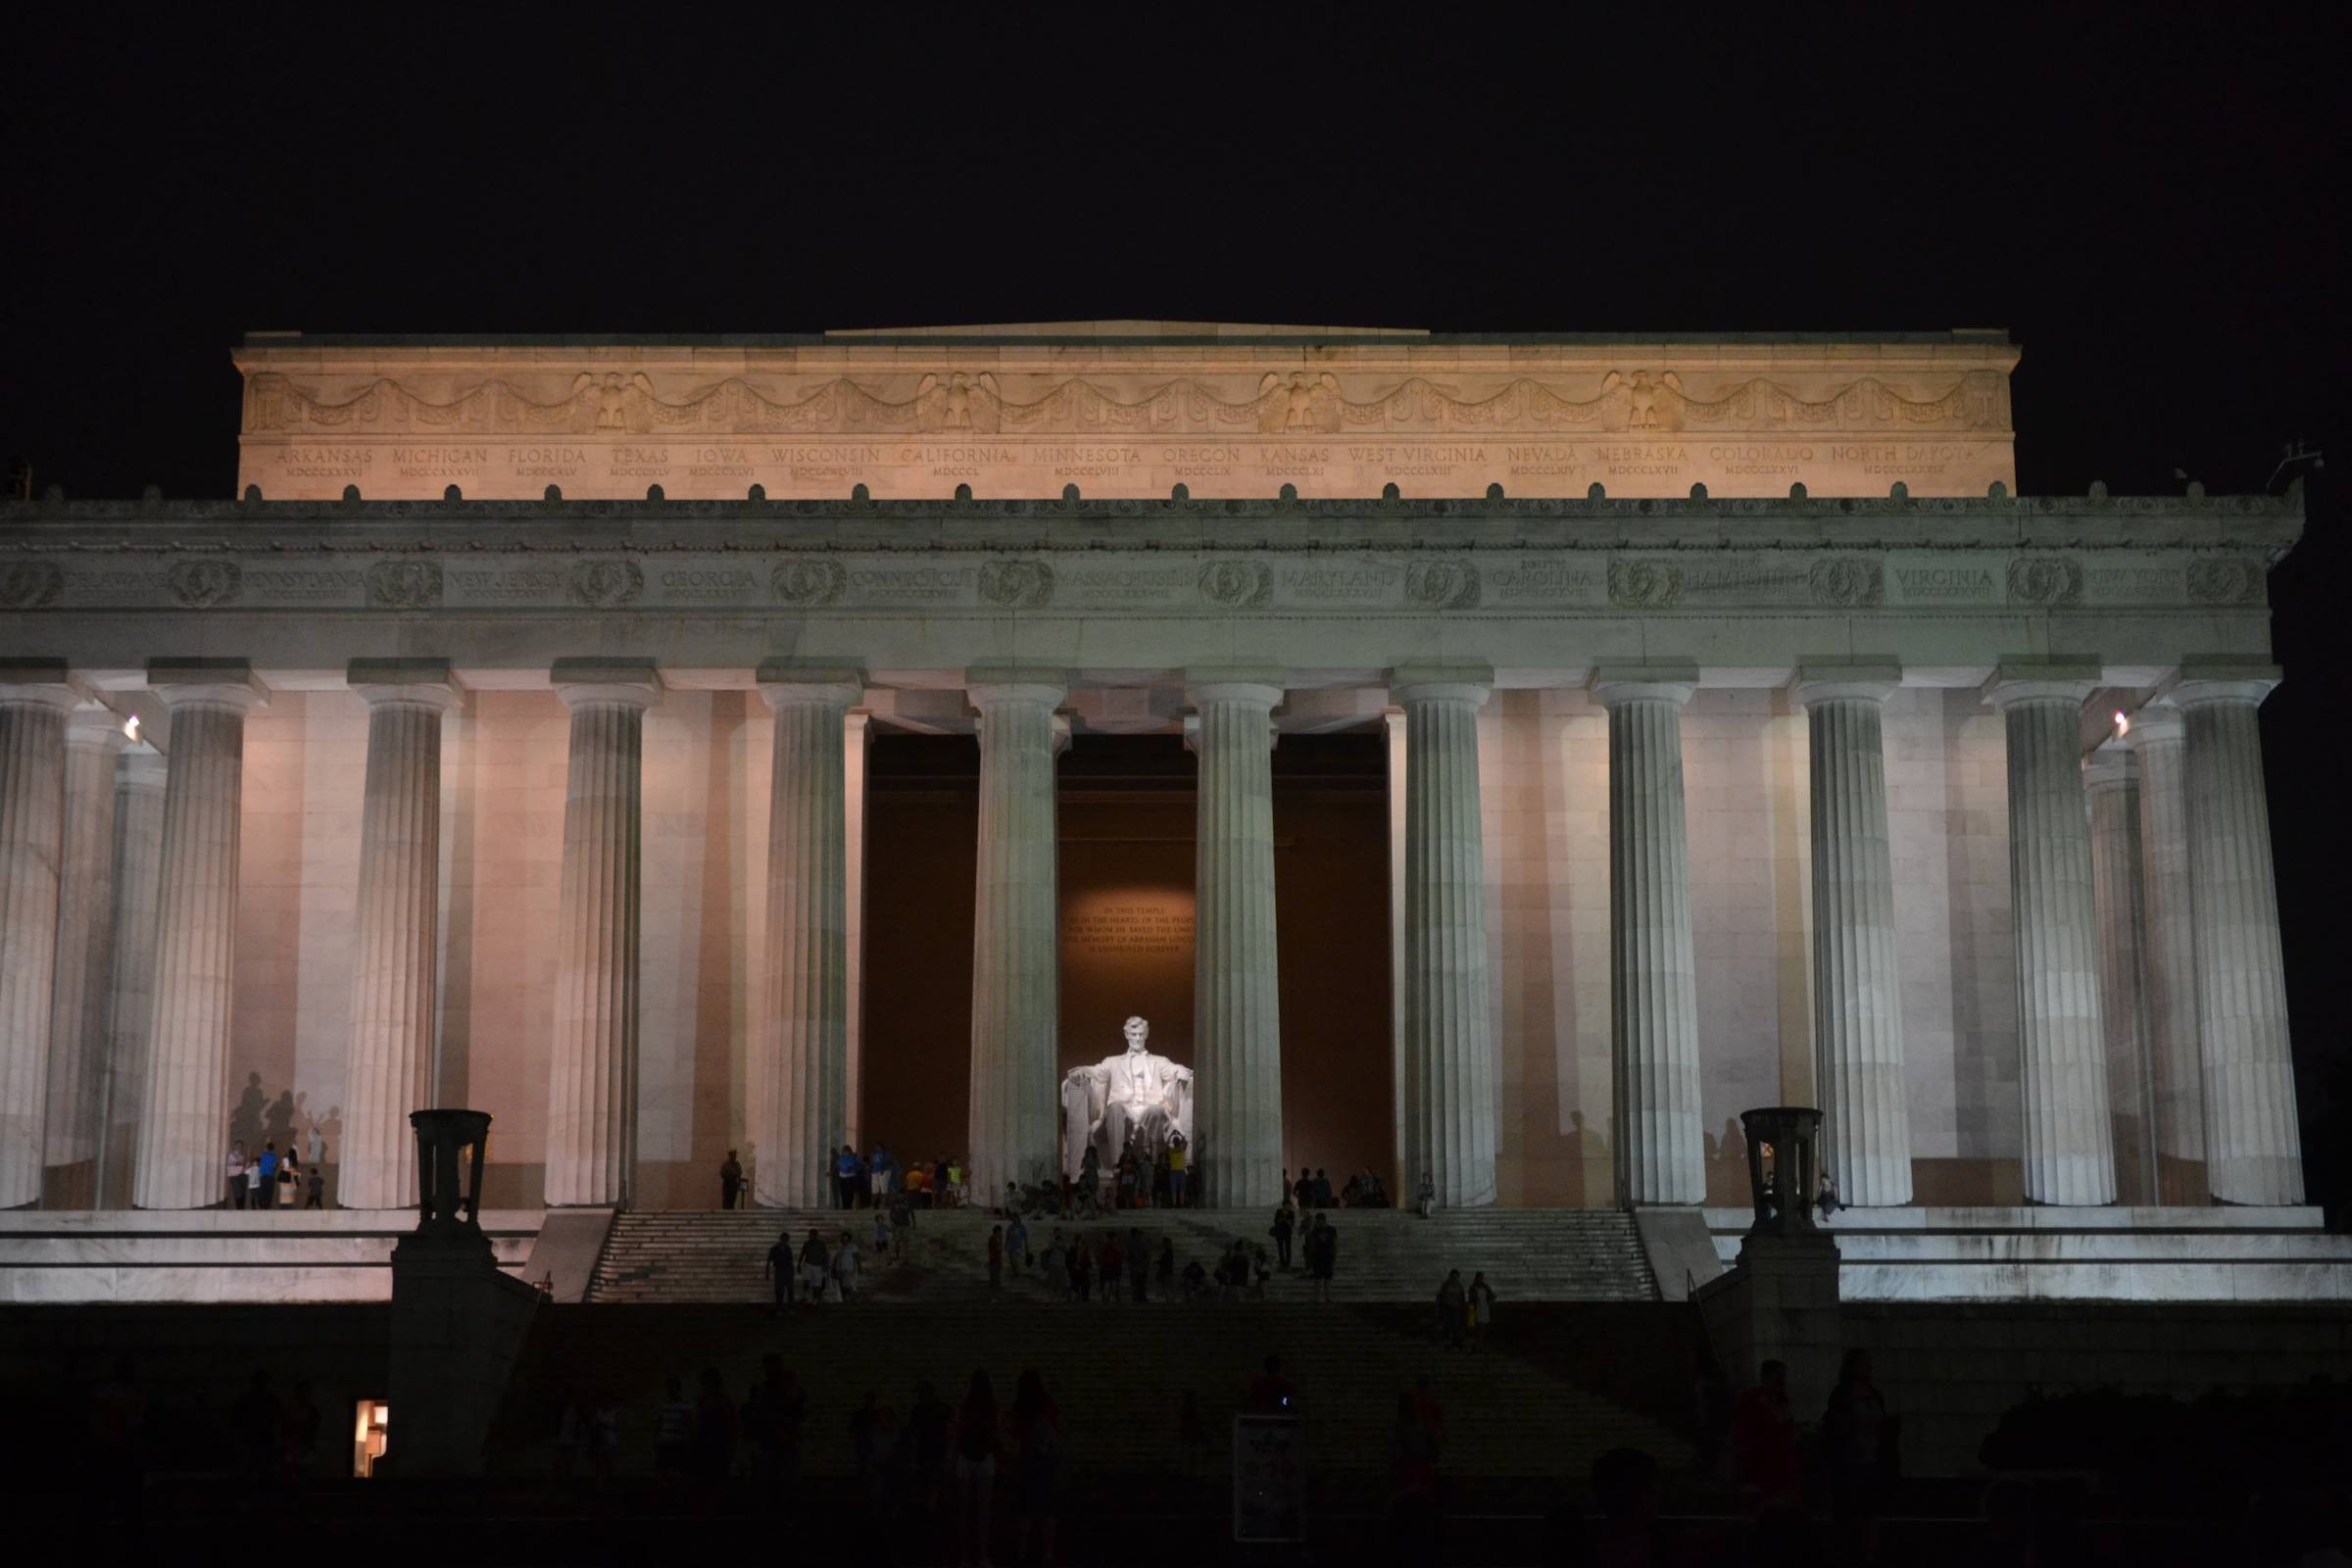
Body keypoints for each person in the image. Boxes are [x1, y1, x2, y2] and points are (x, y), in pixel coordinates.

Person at [1823, 1348, 1895, 1540]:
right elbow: (1833, 1427)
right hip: (1849, 1464)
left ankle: (1868, 1554)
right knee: (1849, 1512)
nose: (1869, 1368)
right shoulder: (1841, 1395)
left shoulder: (1875, 1395)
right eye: (1864, 1363)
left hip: (1872, 1461)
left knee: (1872, 1512)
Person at [1732, 1358, 1801, 1515]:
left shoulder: (1782, 1403)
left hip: (1781, 1471)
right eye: (1778, 1378)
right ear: (1766, 1378)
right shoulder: (1752, 1401)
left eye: (1783, 1378)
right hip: (1760, 1469)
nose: (1782, 1382)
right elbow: (1743, 1435)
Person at [1010, 1369, 1062, 1564]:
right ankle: (1047, 1554)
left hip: (1028, 1462)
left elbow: (1015, 1433)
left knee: (1026, 1510)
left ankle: (1022, 1553)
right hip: (1048, 1463)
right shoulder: (1048, 1404)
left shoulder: (1021, 1406)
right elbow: (1056, 1430)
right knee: (1048, 1510)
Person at [954, 1370, 998, 1568]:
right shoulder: (990, 1406)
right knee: (983, 1511)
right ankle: (982, 1555)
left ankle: (965, 1557)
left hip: (966, 1458)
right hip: (984, 1458)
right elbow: (995, 1433)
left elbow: (958, 1431)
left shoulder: (965, 1406)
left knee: (965, 1509)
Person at [654, 1374, 695, 1475]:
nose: (670, 1391)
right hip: (666, 1443)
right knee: (665, 1471)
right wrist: (657, 1439)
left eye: (672, 1388)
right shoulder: (664, 1406)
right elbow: (659, 1424)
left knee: (679, 1471)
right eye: (669, 1388)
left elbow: (690, 1425)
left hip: (679, 1443)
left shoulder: (685, 1406)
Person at [763, 1227, 795, 1314]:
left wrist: (792, 1271)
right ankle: (779, 1308)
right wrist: (767, 1272)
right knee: (779, 1291)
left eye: (787, 1239)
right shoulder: (774, 1249)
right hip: (780, 1271)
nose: (786, 1240)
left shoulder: (788, 1248)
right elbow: (769, 1260)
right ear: (781, 1239)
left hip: (788, 1271)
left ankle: (790, 1308)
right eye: (785, 1239)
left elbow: (790, 1260)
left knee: (790, 1290)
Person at [1436, 1269, 1466, 1349]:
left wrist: (1462, 1308)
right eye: (1453, 1276)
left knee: (1455, 1325)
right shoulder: (1446, 1284)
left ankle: (1454, 1343)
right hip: (1446, 1307)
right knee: (1447, 1325)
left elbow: (1462, 1298)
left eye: (1456, 1276)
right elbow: (1439, 1296)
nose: (1455, 1278)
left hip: (1455, 1307)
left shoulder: (1460, 1286)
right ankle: (1447, 1342)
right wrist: (1438, 1308)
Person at [832, 1229, 862, 1301]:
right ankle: (846, 1299)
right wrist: (834, 1269)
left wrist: (859, 1267)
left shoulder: (853, 1246)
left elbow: (857, 1257)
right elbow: (836, 1258)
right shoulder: (840, 1247)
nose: (844, 1239)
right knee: (842, 1285)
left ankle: (851, 1298)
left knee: (847, 1285)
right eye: (843, 1238)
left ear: (849, 1238)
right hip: (840, 1269)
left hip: (848, 1268)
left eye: (846, 1238)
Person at [1467, 1271, 1496, 1341]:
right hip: (1476, 1308)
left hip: (1484, 1309)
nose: (1480, 1279)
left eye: (1481, 1277)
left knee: (1482, 1328)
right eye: (1479, 1277)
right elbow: (1471, 1299)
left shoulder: (1485, 1287)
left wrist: (1490, 1301)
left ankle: (1479, 1345)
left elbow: (1493, 1296)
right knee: (1476, 1328)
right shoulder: (1473, 1287)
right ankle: (1477, 1345)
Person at [835, 1145, 864, 1209]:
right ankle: (844, 1206)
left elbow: (861, 1165)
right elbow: (837, 1166)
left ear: (849, 1151)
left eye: (846, 1151)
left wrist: (855, 1168)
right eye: (844, 1151)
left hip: (850, 1177)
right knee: (843, 1192)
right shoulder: (841, 1158)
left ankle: (849, 1206)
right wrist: (838, 1169)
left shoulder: (854, 1157)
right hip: (842, 1177)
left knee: (850, 1192)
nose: (845, 1153)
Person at [1165, 1130, 1189, 1207]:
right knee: (1174, 1189)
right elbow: (1166, 1144)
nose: (1176, 1142)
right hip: (1174, 1171)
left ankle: (1180, 1203)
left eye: (1177, 1140)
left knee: (1181, 1189)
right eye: (1175, 1140)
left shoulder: (1181, 1149)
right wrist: (1173, 1135)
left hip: (1180, 1171)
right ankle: (1174, 1204)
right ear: (1174, 1142)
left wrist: (1178, 1134)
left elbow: (1186, 1142)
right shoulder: (1172, 1150)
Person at [1270, 1200, 1296, 1269]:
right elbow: (1276, 1221)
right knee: (1280, 1247)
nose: (1288, 1206)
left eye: (1289, 1205)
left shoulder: (1291, 1213)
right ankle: (1282, 1262)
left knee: (1288, 1247)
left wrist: (1287, 1221)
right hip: (1280, 1231)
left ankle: (1288, 1262)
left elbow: (1292, 1223)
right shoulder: (1279, 1211)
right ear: (1283, 1205)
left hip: (1287, 1232)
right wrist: (1282, 1220)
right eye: (1286, 1205)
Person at [1126, 1227, 1150, 1303]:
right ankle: (1141, 1296)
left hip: (1135, 1266)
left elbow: (1128, 1255)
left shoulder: (1130, 1242)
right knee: (1141, 1283)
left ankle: (1136, 1297)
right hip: (1140, 1266)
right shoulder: (1142, 1242)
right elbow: (1146, 1254)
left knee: (1136, 1283)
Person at [1004, 1210, 1029, 1275]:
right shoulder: (1011, 1227)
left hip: (1017, 1246)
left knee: (1014, 1258)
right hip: (1010, 1245)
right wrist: (1006, 1244)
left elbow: (1025, 1238)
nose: (1013, 1219)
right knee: (1011, 1260)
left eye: (1014, 1217)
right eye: (1012, 1218)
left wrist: (1027, 1248)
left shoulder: (1021, 1226)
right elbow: (1008, 1236)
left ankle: (1016, 1272)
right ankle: (1015, 1272)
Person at [225, 1141, 247, 1209]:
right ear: (235, 1146)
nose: (239, 1147)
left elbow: (242, 1165)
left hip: (242, 1175)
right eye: (238, 1145)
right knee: (237, 1192)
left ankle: (242, 1208)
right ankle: (239, 1208)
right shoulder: (231, 1155)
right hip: (234, 1176)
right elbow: (233, 1163)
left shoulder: (241, 1156)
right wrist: (240, 1163)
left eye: (241, 1146)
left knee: (243, 1192)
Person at [1154, 1237, 1175, 1301]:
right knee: (1166, 1286)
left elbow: (1166, 1262)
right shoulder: (1168, 1252)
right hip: (1167, 1271)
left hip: (1166, 1271)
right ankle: (1169, 1299)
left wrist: (1159, 1262)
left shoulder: (1168, 1252)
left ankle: (1170, 1299)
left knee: (1166, 1286)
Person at [987, 1223, 1004, 1290]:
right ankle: (993, 1292)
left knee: (997, 1277)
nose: (1001, 1233)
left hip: (997, 1260)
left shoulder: (997, 1238)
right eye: (1000, 1231)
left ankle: (995, 1291)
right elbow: (993, 1249)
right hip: (994, 1260)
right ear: (997, 1231)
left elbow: (999, 1249)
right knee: (994, 1277)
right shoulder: (993, 1238)